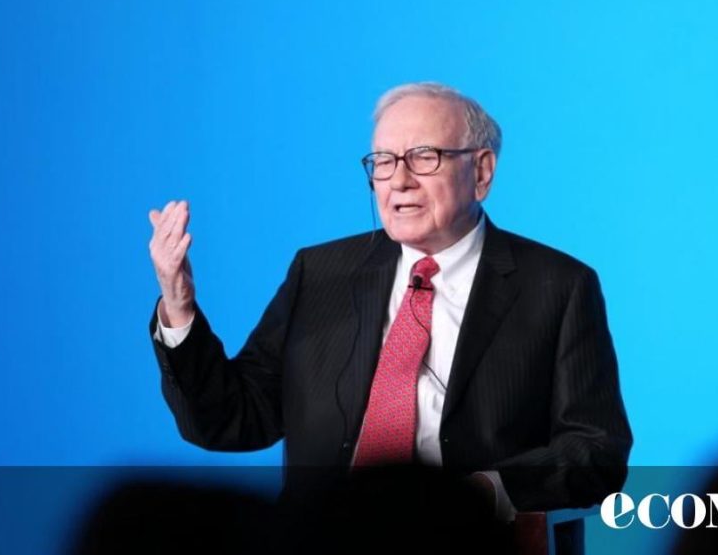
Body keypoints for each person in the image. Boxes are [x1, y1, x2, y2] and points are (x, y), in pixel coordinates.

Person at [147, 82, 632, 518]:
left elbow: (596, 450)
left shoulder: (557, 286)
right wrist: (179, 306)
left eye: (424, 157)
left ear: (482, 172)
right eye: (383, 161)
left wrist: (489, 492)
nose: (399, 180)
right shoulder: (320, 273)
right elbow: (233, 419)